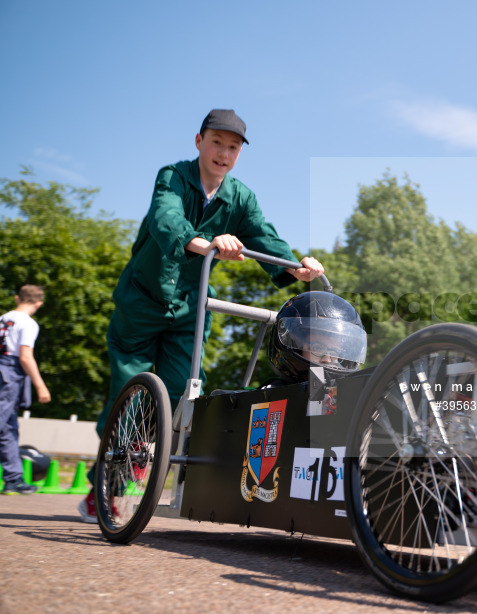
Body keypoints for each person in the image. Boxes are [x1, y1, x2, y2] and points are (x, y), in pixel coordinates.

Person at [78, 109, 324, 521]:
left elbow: (262, 233)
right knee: (129, 392)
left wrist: (295, 265)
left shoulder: (240, 197)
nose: (223, 153)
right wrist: (202, 241)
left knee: (181, 392)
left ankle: (143, 455)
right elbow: (165, 217)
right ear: (199, 141)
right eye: (216, 143)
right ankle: (105, 484)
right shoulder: (172, 176)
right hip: (143, 300)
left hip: (191, 305)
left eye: (232, 148)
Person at [0, 285, 51, 495]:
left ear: (17, 298)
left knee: (8, 428)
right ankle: (14, 478)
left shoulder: (3, 318)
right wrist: (40, 385)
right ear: (39, 303)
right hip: (9, 372)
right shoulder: (28, 324)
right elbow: (25, 356)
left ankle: (13, 478)